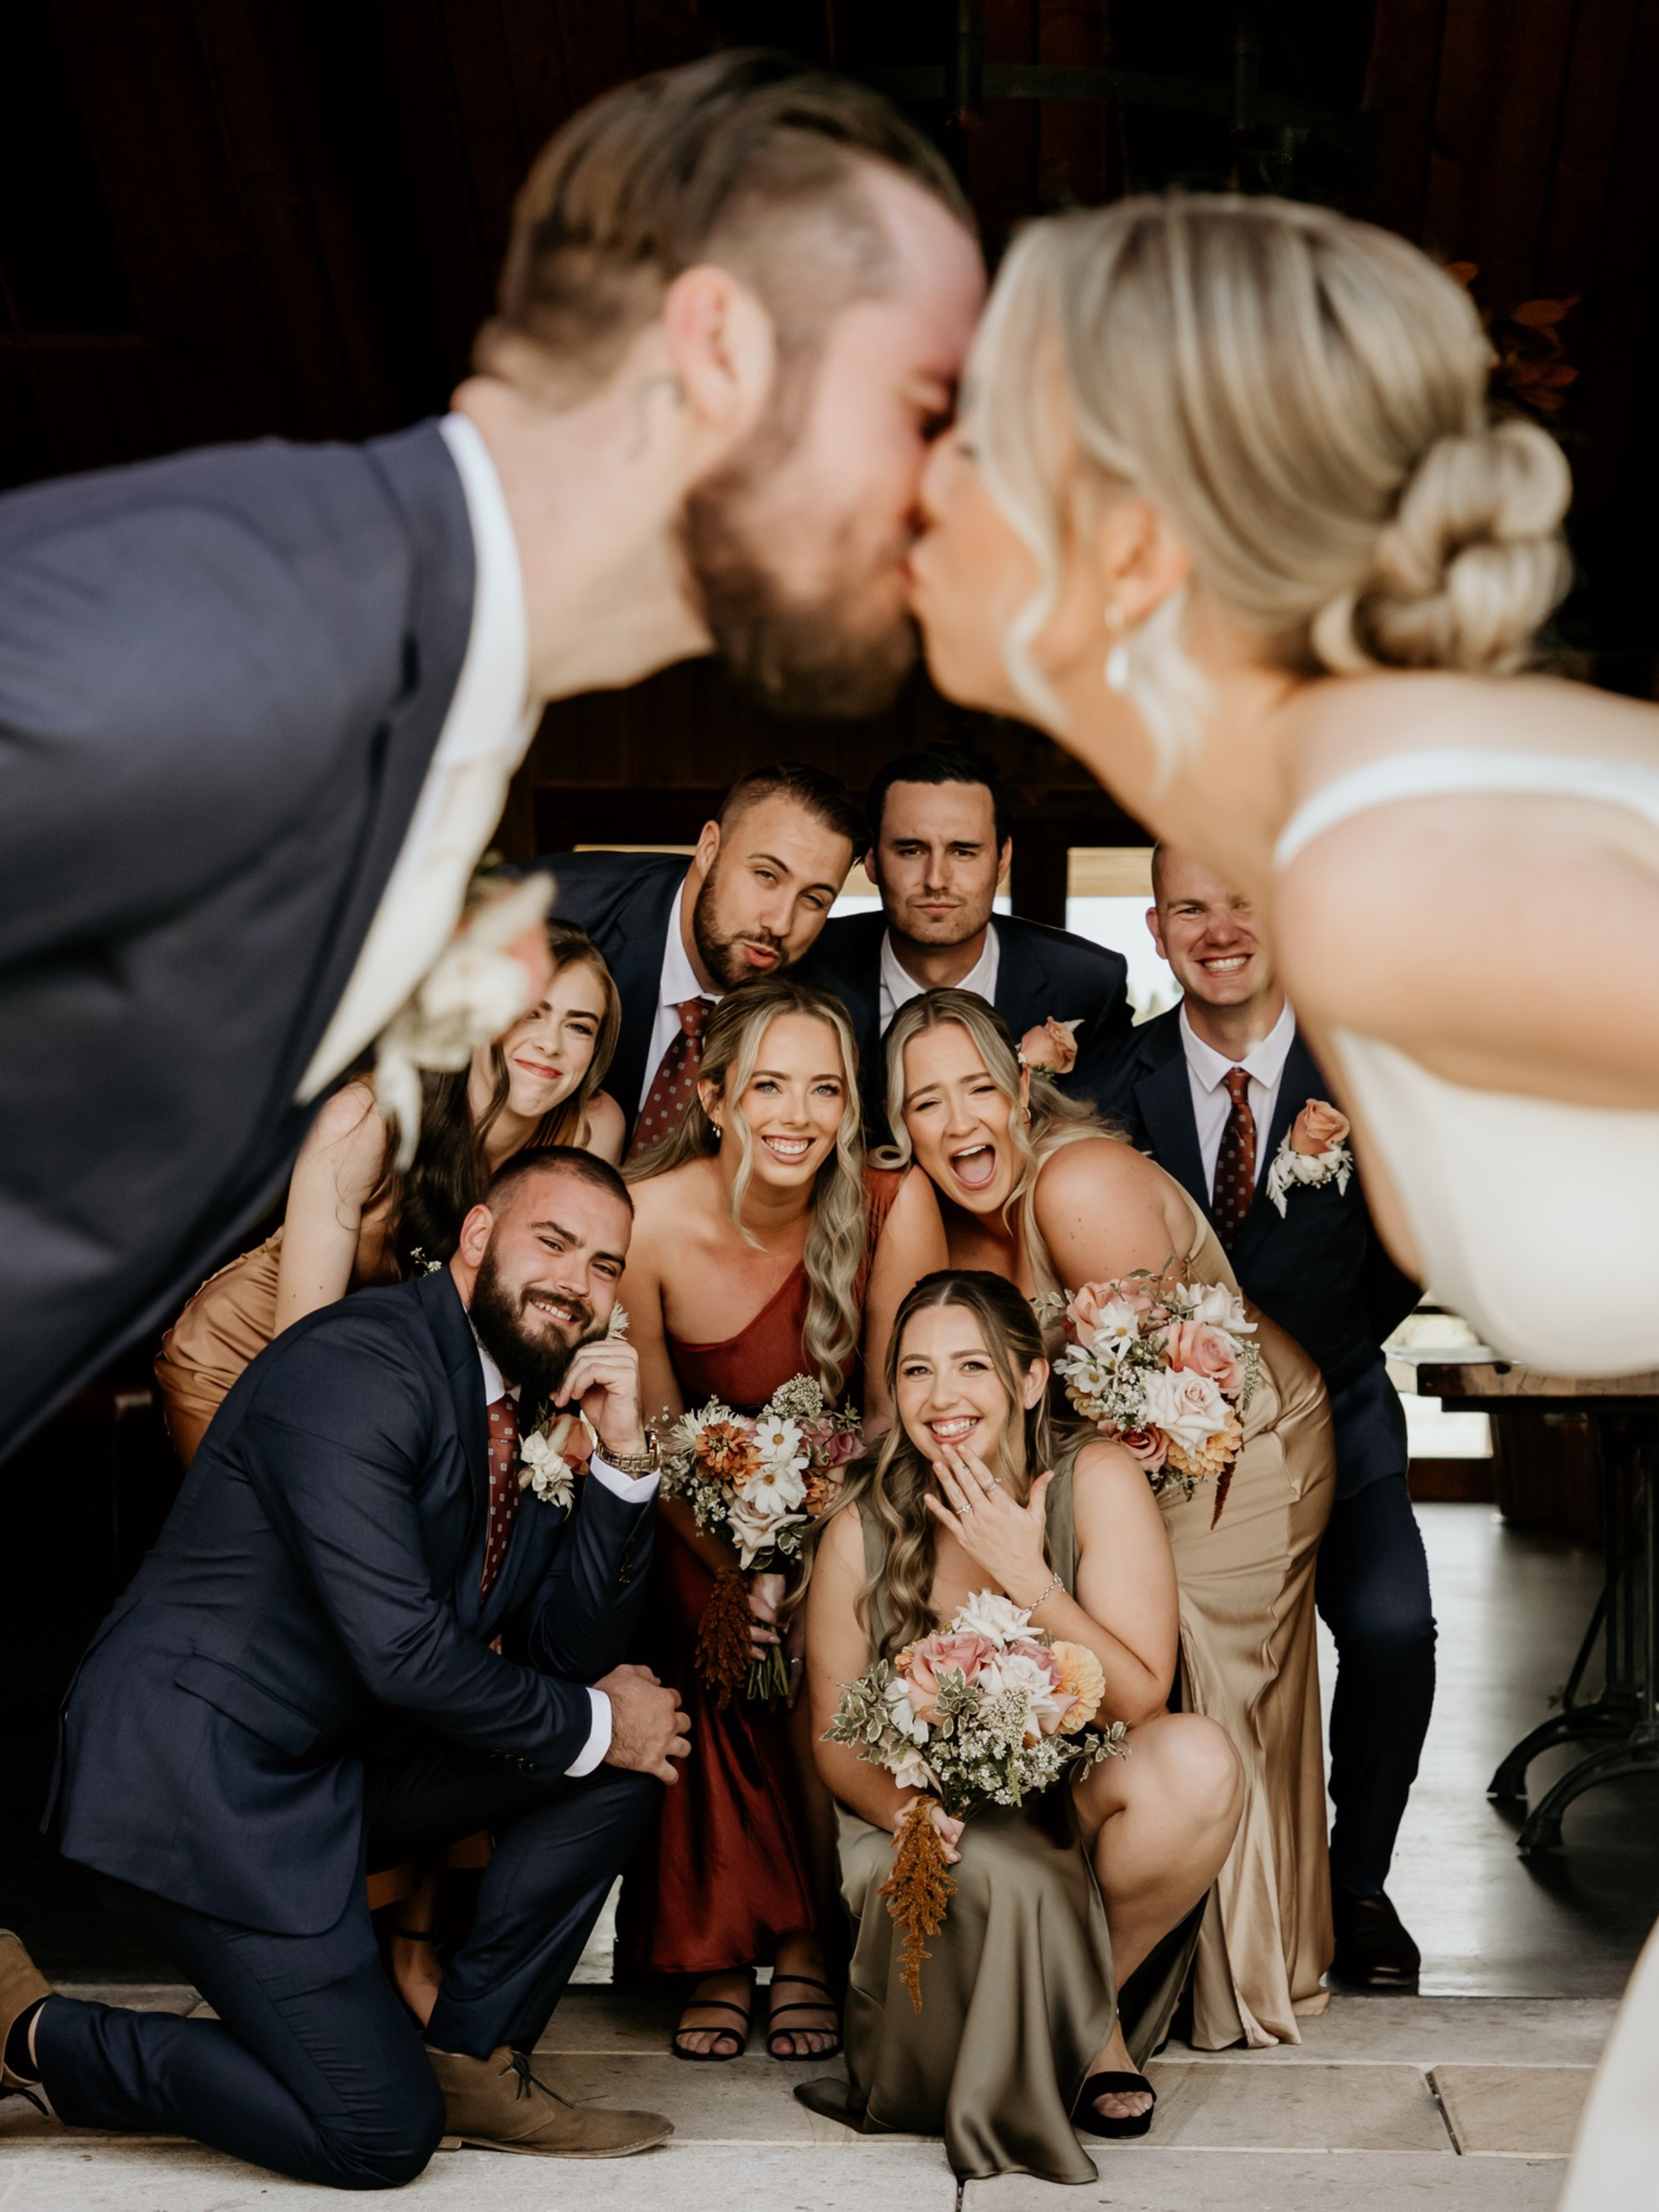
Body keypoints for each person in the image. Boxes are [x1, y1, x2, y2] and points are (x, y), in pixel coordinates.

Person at [0, 47, 985, 1453]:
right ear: (717, 349)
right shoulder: (235, 631)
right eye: (922, 408)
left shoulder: (429, 725)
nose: (941, 491)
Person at [903, 188, 1659, 1379]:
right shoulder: (1366, 809)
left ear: (1136, 549)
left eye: (978, 440)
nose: (922, 479)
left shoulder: (1386, 867)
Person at [0, 1147, 689, 2179]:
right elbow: (402, 1650)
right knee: (375, 2133)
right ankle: (31, 2032)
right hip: (201, 1781)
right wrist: (598, 1720)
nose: (576, 1281)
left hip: (332, 1768)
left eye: (603, 1265)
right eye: (553, 1241)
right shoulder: (360, 1363)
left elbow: (562, 1658)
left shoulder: (533, 1407)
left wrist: (625, 1463)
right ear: (476, 1238)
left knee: (622, 1766)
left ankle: (472, 2061)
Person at [885, 987, 1334, 2050]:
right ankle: (1129, 1967)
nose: (956, 1125)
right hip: (1131, 1458)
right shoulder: (944, 1214)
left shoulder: (1075, 1184)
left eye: (976, 1089)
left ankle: (1230, 1978)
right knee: (1136, 1659)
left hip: (1231, 1452)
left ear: (1023, 1088)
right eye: (923, 1105)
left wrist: (1056, 1544)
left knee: (1202, 1676)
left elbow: (1171, 1386)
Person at [799, 1270, 1242, 2181]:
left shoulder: (1097, 1477)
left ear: (1030, 1379)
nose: (942, 1397)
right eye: (916, 1372)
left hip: (1074, 1792)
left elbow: (1141, 1700)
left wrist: (1024, 1570)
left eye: (972, 1366)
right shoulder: (861, 1522)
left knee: (1195, 1762)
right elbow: (834, 1740)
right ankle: (1071, 2040)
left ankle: (1084, 2021)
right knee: (981, 1863)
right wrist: (907, 1817)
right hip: (924, 1808)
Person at [1107, 847, 1432, 1995]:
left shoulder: (1368, 1076)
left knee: (1393, 1628)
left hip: (1336, 1414)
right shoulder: (1112, 1082)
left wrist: (1320, 1347)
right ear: (1156, 926)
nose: (1220, 926)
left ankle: (1358, 1881)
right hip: (1162, 1458)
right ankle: (1189, 1896)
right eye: (1190, 905)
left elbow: (1406, 1251)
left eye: (1243, 898)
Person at [615, 976, 947, 2062]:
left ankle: (804, 1941)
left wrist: (810, 1556)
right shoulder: (649, 1221)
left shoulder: (891, 1202)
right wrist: (737, 1564)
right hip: (696, 1521)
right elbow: (655, 1438)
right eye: (768, 1085)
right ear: (715, 1098)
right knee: (706, 1629)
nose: (797, 1113)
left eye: (825, 1087)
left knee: (820, 1634)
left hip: (856, 1511)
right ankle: (717, 1945)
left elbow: (908, 1410)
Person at [154, 917, 624, 1466]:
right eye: (529, 1011)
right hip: (257, 1359)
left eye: (579, 1026)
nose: (551, 1044)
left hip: (415, 1389)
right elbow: (302, 1360)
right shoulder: (364, 1121)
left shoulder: (591, 1130)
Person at [806, 743, 1133, 1130]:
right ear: (874, 859)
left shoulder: (1086, 983)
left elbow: (1109, 1136)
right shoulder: (810, 963)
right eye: (911, 850)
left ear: (1003, 860)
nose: (936, 880)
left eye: (963, 851)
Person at [546, 762, 863, 1154]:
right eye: (766, 875)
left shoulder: (834, 1012)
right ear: (710, 848)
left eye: (814, 899)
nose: (780, 923)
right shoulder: (557, 910)